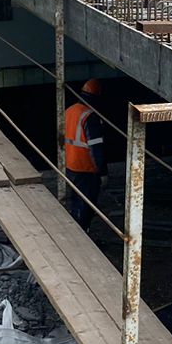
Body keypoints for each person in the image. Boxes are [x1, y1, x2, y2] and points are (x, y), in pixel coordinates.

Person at [64, 79, 107, 231]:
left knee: (76, 200)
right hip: (86, 167)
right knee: (86, 204)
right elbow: (96, 147)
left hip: (70, 164)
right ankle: (81, 235)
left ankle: (77, 230)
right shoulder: (90, 116)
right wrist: (102, 171)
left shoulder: (69, 111)